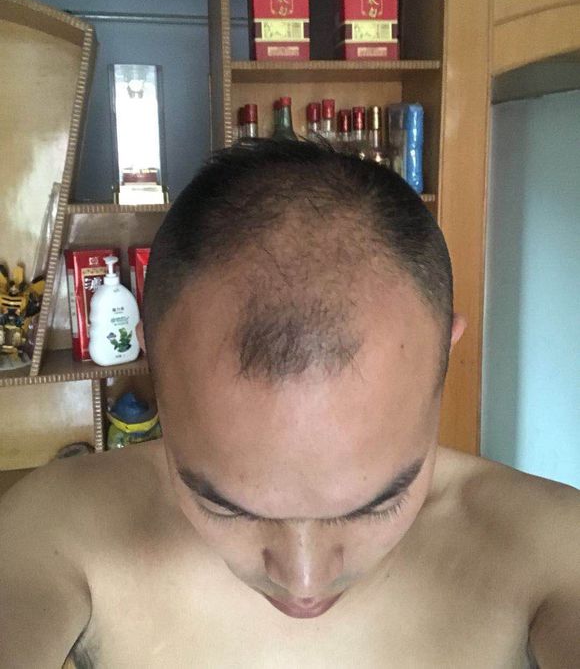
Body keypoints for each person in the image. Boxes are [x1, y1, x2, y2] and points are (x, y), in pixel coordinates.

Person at [1, 139, 578, 668]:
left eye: (378, 505)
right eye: (227, 509)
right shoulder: (55, 534)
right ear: (155, 360)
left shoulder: (552, 553)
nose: (304, 581)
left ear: (441, 358)